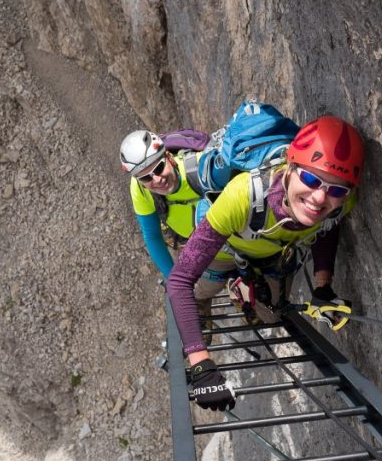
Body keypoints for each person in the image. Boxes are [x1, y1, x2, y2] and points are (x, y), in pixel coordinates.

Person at [167, 116, 365, 411]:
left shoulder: (343, 201)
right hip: (222, 250)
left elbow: (328, 225)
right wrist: (201, 365)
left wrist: (323, 286)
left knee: (271, 317)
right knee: (201, 288)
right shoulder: (242, 196)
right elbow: (179, 280)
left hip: (269, 252)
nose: (320, 197)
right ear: (290, 167)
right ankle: (208, 299)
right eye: (311, 179)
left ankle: (241, 287)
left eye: (336, 189)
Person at [119, 130, 234, 326]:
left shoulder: (201, 166)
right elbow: (152, 236)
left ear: (168, 157)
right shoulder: (140, 188)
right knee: (200, 289)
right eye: (146, 177)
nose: (156, 180)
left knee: (268, 312)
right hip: (204, 250)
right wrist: (176, 283)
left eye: (159, 168)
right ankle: (203, 302)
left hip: (237, 239)